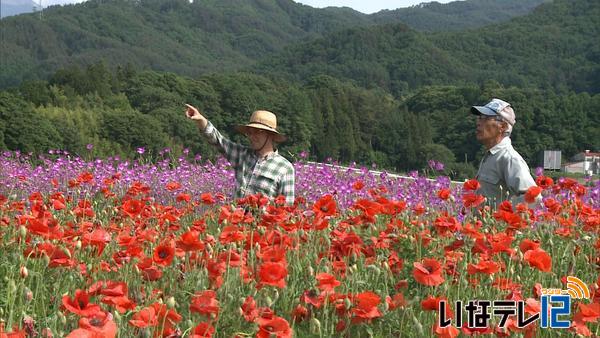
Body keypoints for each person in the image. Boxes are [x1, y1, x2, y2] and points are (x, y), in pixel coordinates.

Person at [185, 104, 295, 205]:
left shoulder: (285, 168)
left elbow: (286, 208)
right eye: (249, 132)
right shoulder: (242, 155)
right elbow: (218, 140)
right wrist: (201, 120)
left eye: (257, 132)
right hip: (237, 223)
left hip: (262, 225)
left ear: (271, 135)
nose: (252, 137)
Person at [471, 98, 539, 206]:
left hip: (497, 223)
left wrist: (506, 218)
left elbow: (533, 198)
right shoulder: (491, 156)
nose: (478, 122)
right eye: (479, 118)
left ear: (502, 126)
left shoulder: (509, 159)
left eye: (485, 118)